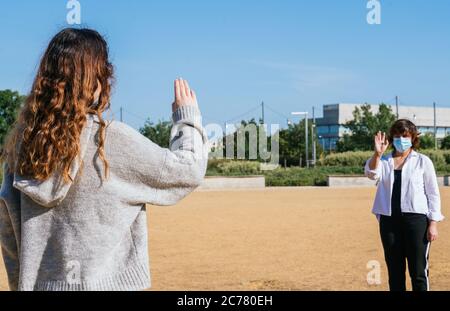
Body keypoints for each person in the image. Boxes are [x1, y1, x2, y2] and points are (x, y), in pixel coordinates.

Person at [0, 28, 208, 291]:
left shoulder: (21, 148)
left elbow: (9, 235)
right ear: (97, 80)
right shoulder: (110, 141)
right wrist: (186, 118)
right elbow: (188, 170)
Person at [365, 119, 444, 291]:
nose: (401, 139)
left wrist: (433, 223)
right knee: (395, 273)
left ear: (413, 137)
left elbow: (433, 194)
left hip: (416, 222)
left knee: (418, 272)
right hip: (389, 221)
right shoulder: (384, 161)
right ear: (392, 138)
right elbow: (371, 174)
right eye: (397, 136)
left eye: (405, 136)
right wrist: (377, 154)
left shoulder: (423, 161)